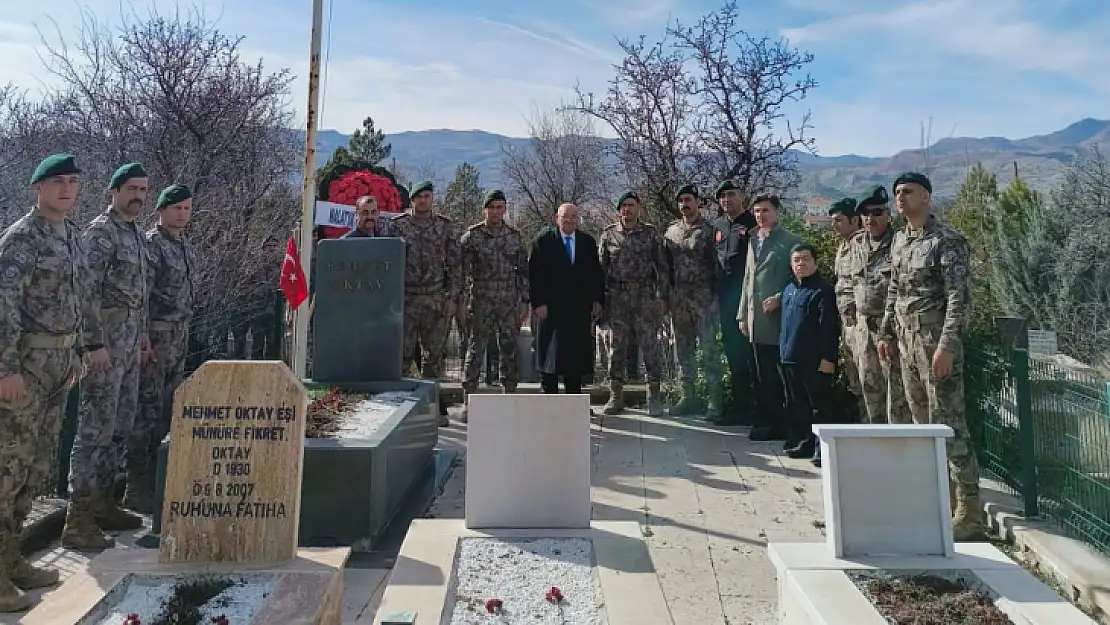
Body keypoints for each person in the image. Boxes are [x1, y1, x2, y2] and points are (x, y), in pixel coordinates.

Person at [0, 154, 88, 611]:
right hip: (25, 368)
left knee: (35, 468)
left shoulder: (72, 235)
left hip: (57, 366)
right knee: (7, 469)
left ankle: (12, 559)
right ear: (38, 187)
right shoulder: (21, 239)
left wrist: (76, 353)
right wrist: (5, 369)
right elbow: (4, 307)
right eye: (58, 182)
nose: (67, 189)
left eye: (73, 182)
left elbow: (76, 299)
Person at [877, 171, 984, 541]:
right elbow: (894, 287)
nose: (900, 198)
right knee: (921, 423)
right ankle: (939, 500)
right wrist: (886, 332)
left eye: (907, 192)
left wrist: (947, 345)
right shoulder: (900, 240)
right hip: (907, 343)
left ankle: (970, 512)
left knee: (950, 424)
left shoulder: (946, 241)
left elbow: (959, 297)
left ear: (926, 196)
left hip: (934, 342)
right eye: (897, 193)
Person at [64, 162, 152, 550]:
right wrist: (93, 344)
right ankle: (77, 517)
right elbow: (86, 294)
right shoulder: (101, 234)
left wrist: (144, 335)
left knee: (120, 426)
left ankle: (102, 504)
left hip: (131, 344)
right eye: (131, 188)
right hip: (105, 347)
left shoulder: (134, 234)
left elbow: (138, 293)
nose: (138, 196)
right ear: (113, 191)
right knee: (94, 430)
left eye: (143, 190)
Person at [125, 184, 196, 514]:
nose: (182, 213)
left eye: (186, 208)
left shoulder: (182, 244)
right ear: (162, 210)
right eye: (176, 208)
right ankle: (136, 487)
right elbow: (141, 296)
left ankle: (161, 480)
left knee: (168, 411)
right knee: (147, 413)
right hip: (156, 339)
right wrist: (143, 339)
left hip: (178, 338)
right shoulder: (153, 244)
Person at [391, 180, 461, 426]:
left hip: (435, 300)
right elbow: (390, 264)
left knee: (434, 358)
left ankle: (433, 409)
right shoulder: (397, 227)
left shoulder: (445, 227)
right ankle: (400, 412)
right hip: (407, 299)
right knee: (403, 356)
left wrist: (452, 297)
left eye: (427, 196)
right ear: (411, 200)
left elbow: (455, 265)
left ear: (433, 199)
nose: (423, 200)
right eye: (418, 196)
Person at [458, 190, 529, 420]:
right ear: (484, 210)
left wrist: (524, 301)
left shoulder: (514, 236)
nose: (496, 212)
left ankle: (509, 394)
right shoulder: (472, 236)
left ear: (505, 209)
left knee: (509, 347)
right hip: (481, 298)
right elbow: (461, 271)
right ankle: (468, 399)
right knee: (475, 348)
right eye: (492, 207)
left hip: (508, 299)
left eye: (500, 207)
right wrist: (461, 300)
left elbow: (523, 272)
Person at [599, 191, 669, 416]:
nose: (627, 209)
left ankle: (654, 397)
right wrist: (602, 301)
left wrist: (661, 296)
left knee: (650, 346)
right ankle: (615, 395)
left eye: (631, 205)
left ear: (639, 208)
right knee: (616, 348)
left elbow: (663, 268)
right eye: (624, 206)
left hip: (645, 298)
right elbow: (601, 271)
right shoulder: (608, 235)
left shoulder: (650, 234)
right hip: (618, 299)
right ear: (619, 209)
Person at [845, 186, 909, 426]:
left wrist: (888, 331)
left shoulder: (899, 242)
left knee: (896, 395)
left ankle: (898, 453)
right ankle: (874, 445)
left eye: (877, 212)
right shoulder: (856, 243)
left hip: (890, 331)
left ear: (888, 213)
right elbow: (848, 281)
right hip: (862, 330)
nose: (871, 218)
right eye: (865, 213)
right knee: (868, 391)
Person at [738, 194, 800, 441]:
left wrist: (779, 297)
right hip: (755, 319)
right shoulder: (753, 240)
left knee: (780, 376)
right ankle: (766, 420)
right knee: (762, 375)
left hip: (777, 320)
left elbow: (796, 279)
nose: (760, 215)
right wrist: (742, 314)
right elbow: (747, 279)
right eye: (757, 211)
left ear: (776, 212)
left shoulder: (789, 242)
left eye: (765, 210)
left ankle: (784, 424)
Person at [528, 203, 604, 395]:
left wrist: (597, 300)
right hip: (550, 309)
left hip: (578, 309)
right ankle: (549, 400)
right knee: (550, 358)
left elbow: (596, 274)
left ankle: (575, 402)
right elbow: (534, 274)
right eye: (565, 216)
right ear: (557, 218)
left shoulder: (587, 242)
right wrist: (538, 303)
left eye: (573, 217)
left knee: (575, 359)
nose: (570, 220)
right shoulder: (543, 241)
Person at [664, 184, 723, 418]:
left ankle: (714, 401)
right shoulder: (670, 232)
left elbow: (718, 265)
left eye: (688, 199)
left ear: (697, 202)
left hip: (703, 297)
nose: (684, 204)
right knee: (683, 349)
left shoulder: (709, 230)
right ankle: (688, 397)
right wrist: (666, 296)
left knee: (709, 349)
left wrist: (715, 296)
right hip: (679, 299)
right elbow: (665, 267)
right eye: (681, 201)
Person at [778, 243, 839, 464]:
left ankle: (822, 449)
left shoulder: (822, 291)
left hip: (814, 360)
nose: (800, 263)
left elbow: (828, 328)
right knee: (798, 405)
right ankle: (805, 442)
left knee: (819, 407)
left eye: (805, 259)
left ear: (816, 262)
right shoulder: (789, 289)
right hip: (789, 356)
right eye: (796, 260)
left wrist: (828, 359)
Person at [711, 180, 758, 425]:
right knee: (733, 353)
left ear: (742, 197)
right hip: (725, 300)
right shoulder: (717, 226)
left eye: (731, 194)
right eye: (722, 196)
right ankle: (740, 404)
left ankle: (757, 406)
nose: (727, 199)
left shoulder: (752, 224)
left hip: (748, 300)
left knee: (752, 354)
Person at [828, 197, 864, 421]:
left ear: (854, 220)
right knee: (856, 382)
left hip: (862, 324)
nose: (834, 225)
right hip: (847, 324)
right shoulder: (844, 245)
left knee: (870, 385)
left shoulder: (862, 244)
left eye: (839, 220)